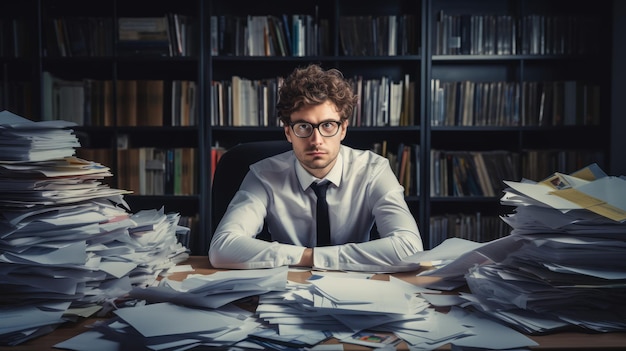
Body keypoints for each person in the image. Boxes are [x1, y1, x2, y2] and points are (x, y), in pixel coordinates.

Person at [209, 64, 423, 272]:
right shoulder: (263, 175)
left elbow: (410, 249)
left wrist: (315, 258)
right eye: (304, 126)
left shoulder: (373, 170)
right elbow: (222, 248)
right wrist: (309, 258)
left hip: (357, 288)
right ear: (288, 132)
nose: (316, 140)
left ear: (343, 130)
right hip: (287, 290)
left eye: (328, 125)